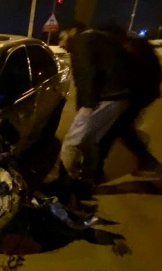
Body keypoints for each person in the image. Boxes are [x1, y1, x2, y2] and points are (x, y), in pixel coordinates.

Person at [56, 22, 132, 199]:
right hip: (119, 96)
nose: (60, 44)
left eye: (61, 37)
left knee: (71, 143)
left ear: (71, 32)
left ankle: (63, 186)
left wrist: (86, 105)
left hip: (104, 98)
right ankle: (86, 181)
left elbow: (86, 74)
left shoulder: (82, 42)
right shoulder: (97, 37)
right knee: (90, 140)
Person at [96, 33, 162, 181]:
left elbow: (128, 79)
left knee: (113, 131)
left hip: (135, 98)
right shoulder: (143, 52)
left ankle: (97, 171)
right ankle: (147, 162)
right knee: (122, 130)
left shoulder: (133, 53)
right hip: (140, 97)